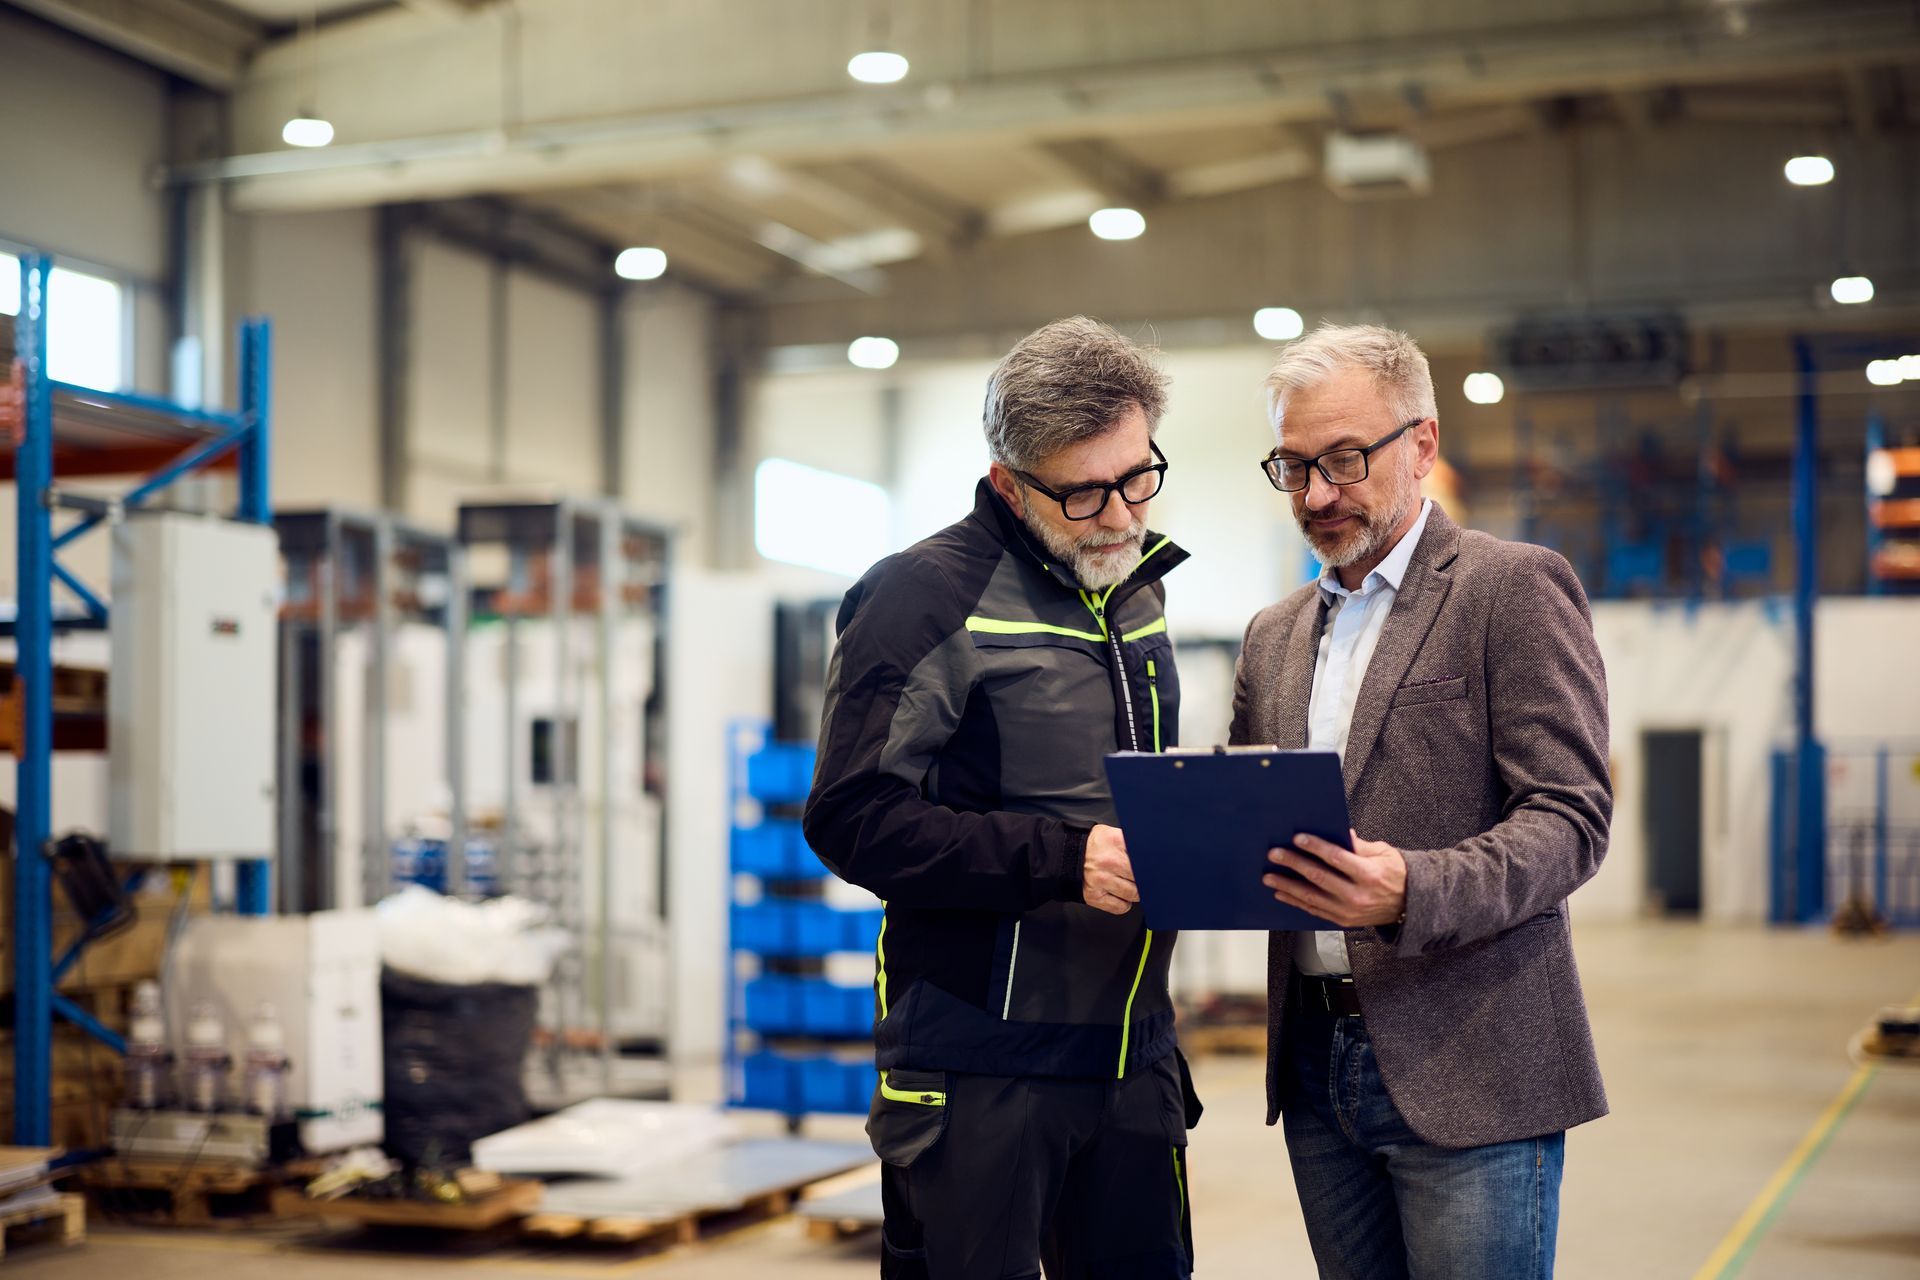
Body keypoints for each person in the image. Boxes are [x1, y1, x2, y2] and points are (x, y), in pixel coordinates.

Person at [804, 316, 1199, 1280]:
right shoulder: (921, 598)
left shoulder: (1134, 589)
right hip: (982, 1067)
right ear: (1008, 484)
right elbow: (852, 815)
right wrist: (1065, 860)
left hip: (1132, 1058)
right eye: (1083, 493)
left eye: (1138, 475)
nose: (1119, 516)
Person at [1229, 323, 1611, 1280]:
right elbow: (1253, 824)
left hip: (1472, 1062)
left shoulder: (1508, 589)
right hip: (1316, 1067)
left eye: (1347, 459)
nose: (1318, 494)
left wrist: (1414, 887)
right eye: (1294, 465)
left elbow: (1570, 817)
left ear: (1424, 445)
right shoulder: (1272, 637)